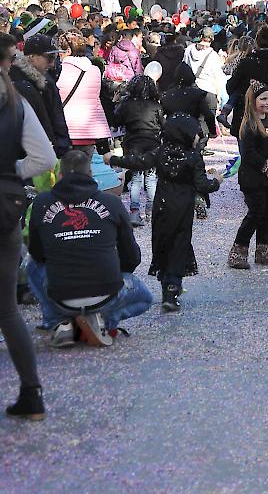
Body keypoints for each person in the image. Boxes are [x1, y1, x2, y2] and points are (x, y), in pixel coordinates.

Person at [27, 149, 153, 348]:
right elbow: (131, 256)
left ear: (60, 175)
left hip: (60, 294)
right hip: (107, 292)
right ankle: (102, 320)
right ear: (91, 175)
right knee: (145, 299)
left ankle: (59, 321)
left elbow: (36, 252)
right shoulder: (111, 202)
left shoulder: (41, 203)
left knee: (31, 266)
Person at [110, 113, 221, 311]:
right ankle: (172, 287)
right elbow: (202, 185)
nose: (198, 137)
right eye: (196, 134)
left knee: (163, 242)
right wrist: (217, 181)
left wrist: (115, 159)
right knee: (180, 244)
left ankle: (165, 287)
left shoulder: (160, 152)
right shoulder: (193, 157)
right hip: (183, 208)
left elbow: (138, 162)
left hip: (162, 205)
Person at [0, 36, 56, 419]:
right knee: (7, 310)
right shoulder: (17, 102)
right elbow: (44, 157)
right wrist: (10, 173)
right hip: (4, 204)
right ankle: (32, 394)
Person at [227, 83, 268, 270]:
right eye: (263, 99)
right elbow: (249, 154)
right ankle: (238, 251)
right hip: (252, 177)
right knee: (255, 213)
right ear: (252, 101)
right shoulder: (248, 126)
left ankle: (263, 250)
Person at [112, 73, 165, 226]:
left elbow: (116, 121)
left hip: (133, 144)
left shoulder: (127, 104)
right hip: (152, 144)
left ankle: (134, 212)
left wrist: (115, 102)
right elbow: (163, 124)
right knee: (151, 178)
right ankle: (152, 210)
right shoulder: (156, 105)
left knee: (136, 179)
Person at [9, 34, 71, 156]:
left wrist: (62, 150)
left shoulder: (48, 82)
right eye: (49, 57)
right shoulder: (17, 83)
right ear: (32, 56)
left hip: (49, 155)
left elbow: (58, 120)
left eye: (55, 57)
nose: (53, 63)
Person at [226, 25, 268, 139]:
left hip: (245, 112)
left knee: (246, 150)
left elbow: (231, 86)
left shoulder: (246, 63)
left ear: (256, 43)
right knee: (267, 149)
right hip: (267, 113)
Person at [56, 30, 111, 147]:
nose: (58, 54)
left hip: (66, 131)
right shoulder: (95, 70)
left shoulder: (59, 71)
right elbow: (96, 101)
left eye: (60, 50)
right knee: (85, 165)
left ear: (68, 51)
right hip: (90, 133)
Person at [183, 27, 227, 118]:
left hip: (191, 90)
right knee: (208, 124)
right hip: (209, 91)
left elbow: (184, 68)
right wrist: (219, 96)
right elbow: (218, 78)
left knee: (193, 121)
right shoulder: (213, 55)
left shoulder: (188, 50)